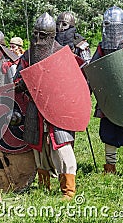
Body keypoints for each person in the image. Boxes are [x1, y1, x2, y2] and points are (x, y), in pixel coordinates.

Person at [14, 13, 80, 200]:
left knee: (61, 146)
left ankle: (68, 189)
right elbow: (17, 78)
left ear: (51, 36)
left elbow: (71, 81)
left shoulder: (62, 53)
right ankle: (44, 186)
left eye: (42, 35)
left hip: (57, 108)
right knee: (39, 147)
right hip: (35, 107)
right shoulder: (28, 54)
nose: (37, 39)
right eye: (35, 34)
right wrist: (22, 83)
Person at [90, 6, 123, 181]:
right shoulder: (102, 47)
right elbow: (93, 69)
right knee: (108, 133)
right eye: (107, 25)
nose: (109, 29)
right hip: (108, 98)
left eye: (112, 26)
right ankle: (109, 166)